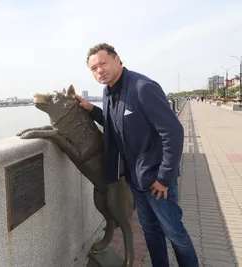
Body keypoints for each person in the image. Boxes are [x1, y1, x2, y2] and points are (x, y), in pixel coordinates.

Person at [75, 43, 198, 267]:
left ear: (117, 59)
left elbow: (173, 132)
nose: (99, 70)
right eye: (94, 68)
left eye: (103, 63)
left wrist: (164, 178)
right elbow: (114, 124)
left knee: (175, 233)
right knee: (151, 232)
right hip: (135, 180)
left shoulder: (143, 87)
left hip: (158, 180)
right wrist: (91, 110)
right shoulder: (108, 91)